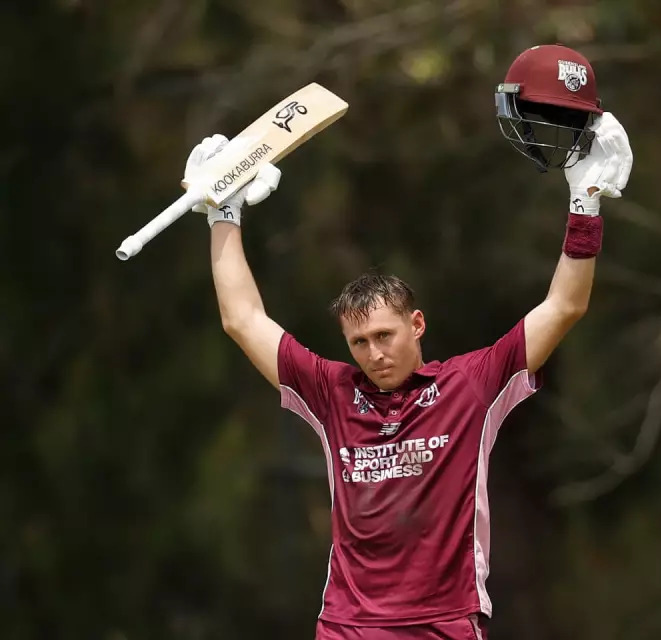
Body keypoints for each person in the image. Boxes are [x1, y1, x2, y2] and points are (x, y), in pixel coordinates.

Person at [187, 43, 632, 640]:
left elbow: (565, 305)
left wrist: (586, 205)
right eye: (359, 342)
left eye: (384, 335)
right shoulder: (329, 391)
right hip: (347, 627)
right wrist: (224, 215)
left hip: (444, 626)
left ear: (416, 325)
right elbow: (242, 319)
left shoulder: (471, 384)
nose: (373, 354)